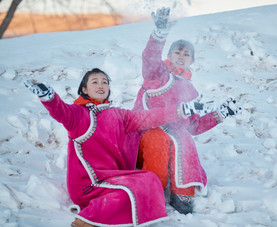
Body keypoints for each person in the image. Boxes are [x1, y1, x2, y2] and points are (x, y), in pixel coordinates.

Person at [24, 68, 205, 227]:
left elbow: (149, 117)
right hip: (87, 184)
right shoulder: (78, 114)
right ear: (85, 89)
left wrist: (182, 109)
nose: (101, 85)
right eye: (95, 82)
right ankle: (86, 220)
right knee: (132, 191)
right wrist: (48, 97)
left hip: (111, 178)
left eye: (105, 82)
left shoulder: (118, 114)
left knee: (149, 179)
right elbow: (60, 110)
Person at [131, 7, 241, 214]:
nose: (181, 56)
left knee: (185, 137)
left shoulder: (190, 91)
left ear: (192, 60)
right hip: (145, 130)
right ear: (169, 55)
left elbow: (194, 126)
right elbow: (149, 59)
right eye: (177, 52)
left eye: (186, 53)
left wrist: (221, 113)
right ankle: (150, 191)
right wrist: (159, 34)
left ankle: (183, 192)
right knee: (159, 140)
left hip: (173, 135)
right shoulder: (158, 75)